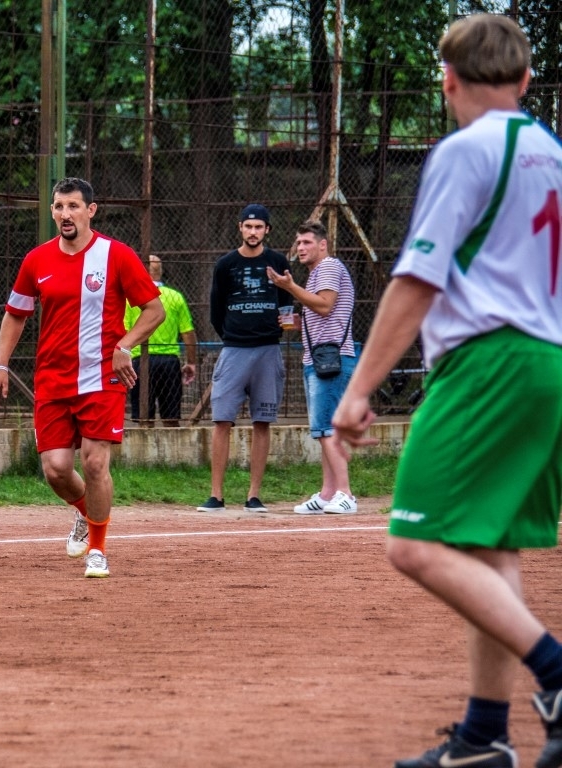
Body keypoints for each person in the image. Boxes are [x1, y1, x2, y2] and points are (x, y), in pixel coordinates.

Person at [331, 15, 562, 768]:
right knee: (486, 545)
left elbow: (416, 281)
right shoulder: (551, 151)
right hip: (544, 363)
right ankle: (483, 737)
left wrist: (358, 390)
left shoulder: (466, 152)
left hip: (487, 362)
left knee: (414, 542)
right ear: (526, 81)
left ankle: (558, 678)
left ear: (449, 80)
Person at [0, 177, 165, 579]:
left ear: (91, 210)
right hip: (52, 380)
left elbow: (154, 311)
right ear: (51, 211)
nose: (65, 214)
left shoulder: (116, 255)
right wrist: (0, 365)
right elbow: (16, 313)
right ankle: (86, 514)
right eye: (58, 207)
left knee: (95, 463)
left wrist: (126, 345)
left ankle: (98, 552)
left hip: (103, 378)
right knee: (55, 469)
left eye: (73, 206)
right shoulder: (36, 260)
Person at [196, 203, 290, 513]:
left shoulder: (278, 261)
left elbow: (286, 306)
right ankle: (216, 495)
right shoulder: (225, 265)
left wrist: (277, 328)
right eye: (248, 227)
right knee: (222, 420)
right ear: (240, 228)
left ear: (267, 230)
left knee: (262, 421)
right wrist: (233, 336)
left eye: (259, 227)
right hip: (234, 349)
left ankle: (253, 495)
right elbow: (216, 309)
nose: (253, 232)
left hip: (268, 350)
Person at [266, 220, 358, 514]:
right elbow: (321, 311)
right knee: (322, 430)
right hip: (319, 358)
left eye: (307, 242)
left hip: (332, 359)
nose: (301, 248)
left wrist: (289, 286)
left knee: (328, 429)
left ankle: (346, 493)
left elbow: (325, 305)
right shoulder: (318, 272)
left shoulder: (329, 267)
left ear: (323, 244)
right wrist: (297, 321)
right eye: (299, 242)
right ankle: (328, 493)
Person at [123, 254, 197, 427]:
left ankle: (143, 449)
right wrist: (191, 362)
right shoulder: (175, 296)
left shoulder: (131, 297)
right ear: (161, 271)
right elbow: (187, 332)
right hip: (169, 360)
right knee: (171, 416)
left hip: (140, 358)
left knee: (143, 416)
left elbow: (124, 330)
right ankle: (173, 451)